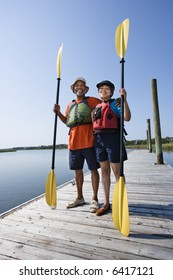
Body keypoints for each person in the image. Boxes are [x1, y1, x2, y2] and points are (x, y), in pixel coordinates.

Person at [53, 77, 101, 213]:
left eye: (82, 85)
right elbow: (67, 121)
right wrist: (58, 113)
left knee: (93, 170)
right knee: (77, 171)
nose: (79, 87)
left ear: (85, 89)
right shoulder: (70, 104)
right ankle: (79, 198)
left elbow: (104, 104)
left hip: (89, 141)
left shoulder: (92, 100)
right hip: (73, 143)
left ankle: (95, 199)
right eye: (77, 85)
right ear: (74, 89)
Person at [92, 80, 131, 216]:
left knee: (117, 172)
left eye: (107, 88)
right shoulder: (96, 106)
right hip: (99, 141)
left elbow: (127, 117)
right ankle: (107, 203)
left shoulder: (116, 103)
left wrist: (124, 99)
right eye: (101, 88)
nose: (103, 90)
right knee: (104, 172)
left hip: (113, 139)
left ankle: (121, 201)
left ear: (112, 92)